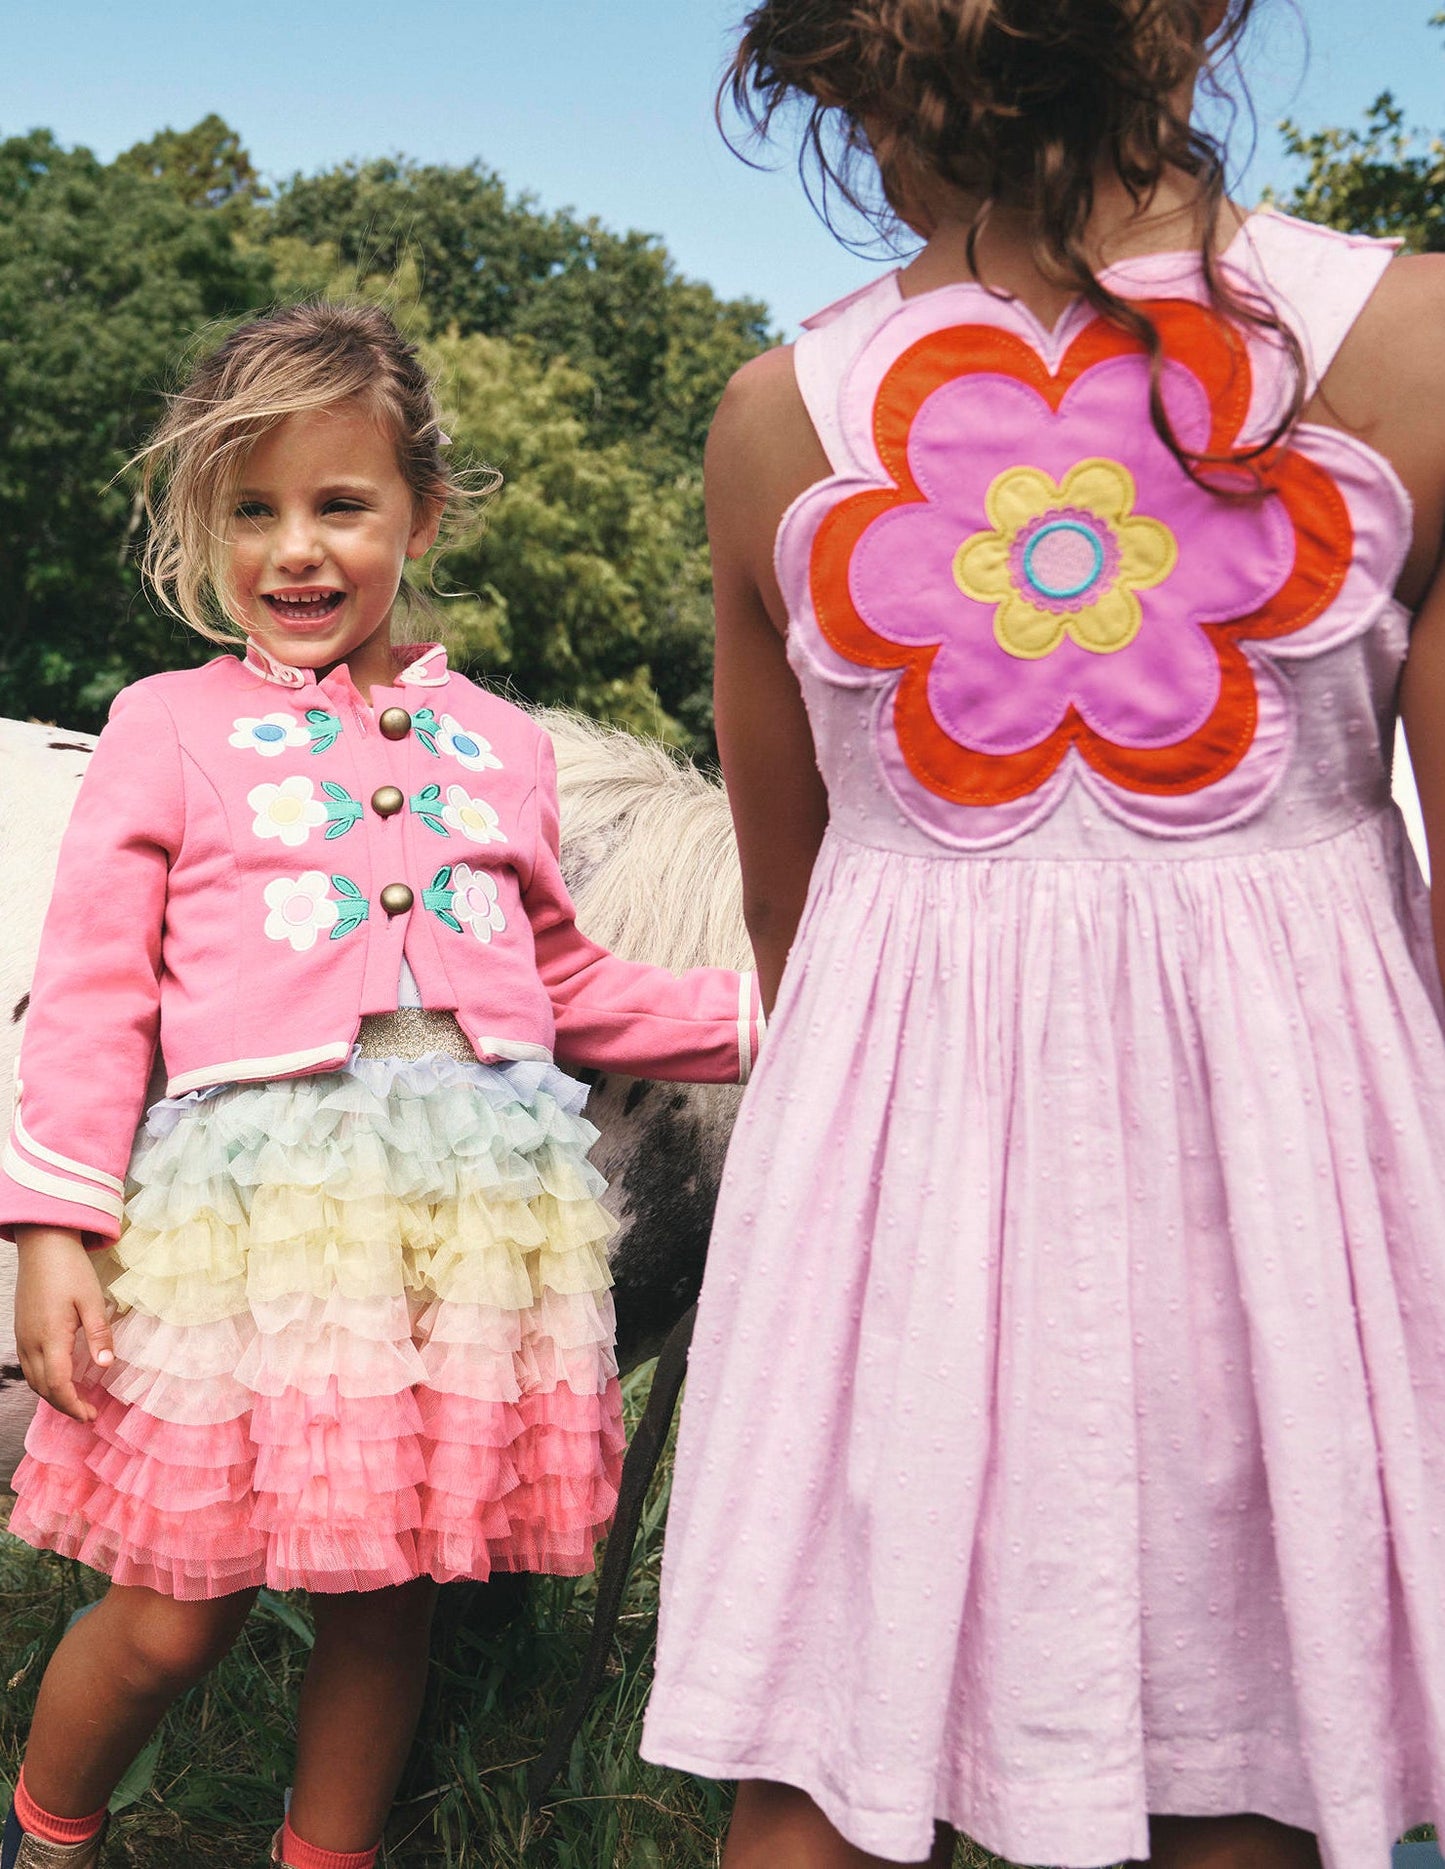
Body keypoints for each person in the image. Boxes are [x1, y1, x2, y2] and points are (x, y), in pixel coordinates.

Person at [640, 2, 1445, 1865]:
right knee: (1246, 1742)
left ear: (840, 82)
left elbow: (793, 899)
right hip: (1288, 1177)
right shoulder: (1411, 343)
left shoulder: (779, 424)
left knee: (833, 1765)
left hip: (893, 1180)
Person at [0, 301, 764, 1869]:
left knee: (387, 1603)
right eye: (252, 511)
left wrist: (794, 1010)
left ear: (417, 512)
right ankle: (47, 1835)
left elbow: (567, 986)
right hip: (250, 1229)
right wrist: (51, 1224)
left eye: (339, 504)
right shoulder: (167, 729)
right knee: (170, 1608)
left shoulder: (502, 747)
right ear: (201, 528)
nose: (297, 549)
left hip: (462, 1233)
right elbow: (88, 993)